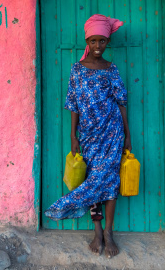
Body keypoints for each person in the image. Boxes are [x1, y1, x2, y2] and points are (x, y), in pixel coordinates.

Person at [44, 14, 132, 258]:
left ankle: (109, 232)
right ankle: (97, 229)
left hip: (112, 133)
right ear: (87, 41)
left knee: (111, 181)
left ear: (107, 42)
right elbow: (72, 104)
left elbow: (122, 102)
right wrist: (73, 136)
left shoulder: (111, 69)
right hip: (89, 136)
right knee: (93, 179)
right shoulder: (77, 70)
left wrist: (127, 134)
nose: (97, 46)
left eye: (102, 41)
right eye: (93, 41)